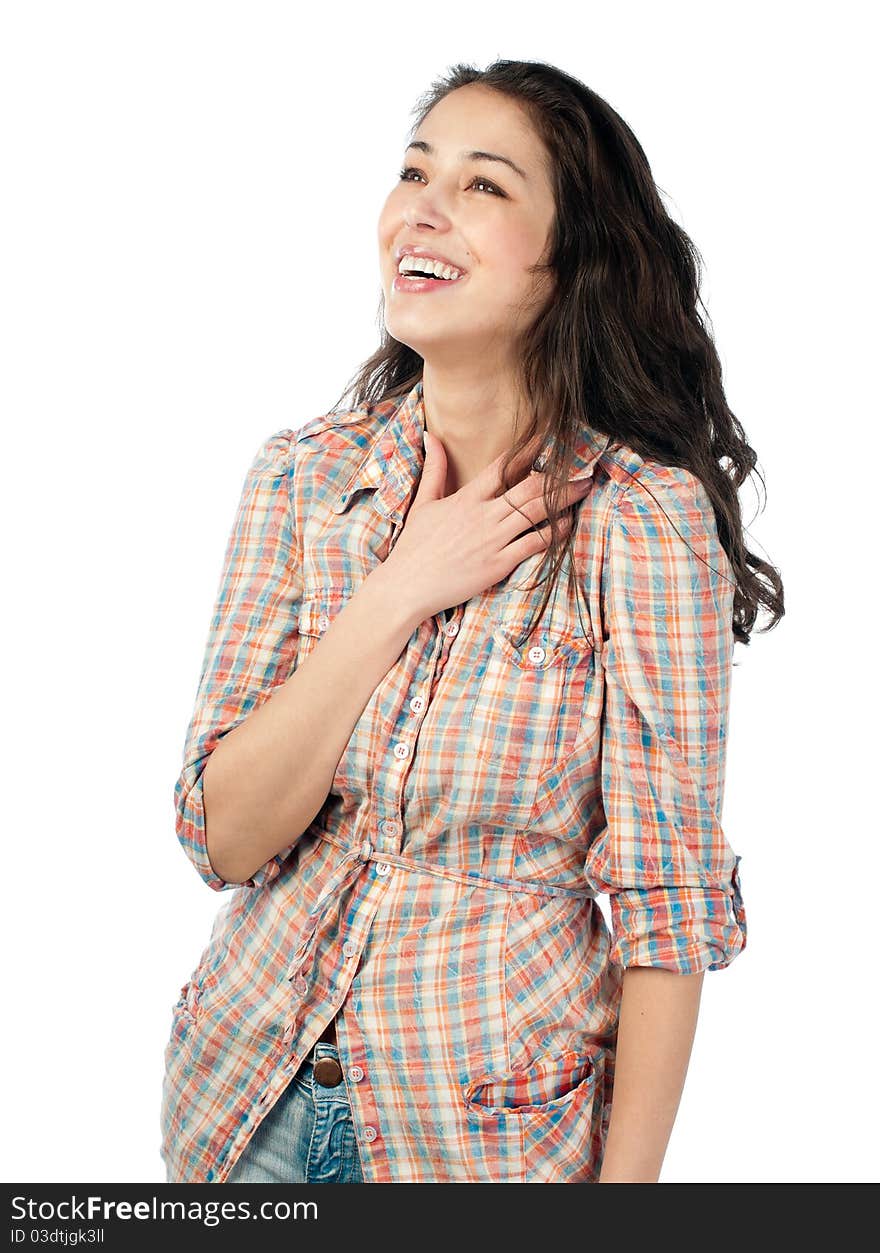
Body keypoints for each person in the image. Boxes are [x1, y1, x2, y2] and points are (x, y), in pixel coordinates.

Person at [159, 59, 783, 1185]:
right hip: (243, 1103)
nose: (424, 208)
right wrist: (401, 586)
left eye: (485, 185)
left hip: (483, 1136)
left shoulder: (640, 522)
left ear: (568, 262)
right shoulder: (305, 480)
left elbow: (667, 908)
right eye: (414, 171)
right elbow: (224, 836)